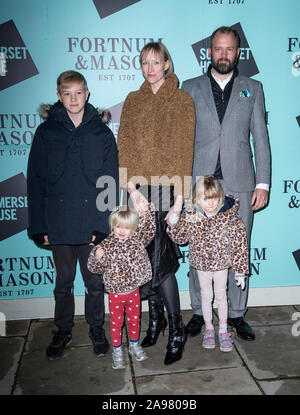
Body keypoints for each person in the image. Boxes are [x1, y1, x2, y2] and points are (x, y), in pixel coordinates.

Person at [182, 26, 271, 341]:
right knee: (198, 252)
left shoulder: (253, 88)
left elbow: (260, 139)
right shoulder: (189, 88)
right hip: (199, 185)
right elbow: (182, 142)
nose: (223, 54)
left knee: (238, 249)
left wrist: (263, 183)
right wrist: (182, 189)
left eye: (229, 49)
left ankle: (235, 314)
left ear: (238, 52)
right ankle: (198, 311)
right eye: (218, 48)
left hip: (240, 184)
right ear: (209, 51)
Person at [27, 70, 119, 360]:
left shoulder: (101, 132)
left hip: (91, 221)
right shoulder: (46, 132)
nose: (73, 98)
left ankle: (95, 328)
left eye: (78, 92)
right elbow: (35, 180)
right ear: (59, 96)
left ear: (87, 94)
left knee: (94, 282)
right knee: (63, 282)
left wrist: (104, 226)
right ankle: (63, 330)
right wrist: (39, 225)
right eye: (67, 93)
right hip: (58, 222)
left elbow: (110, 181)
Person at [117, 42, 195, 365]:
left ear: (166, 63)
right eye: (144, 62)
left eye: (156, 61)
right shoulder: (133, 101)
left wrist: (179, 202)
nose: (150, 68)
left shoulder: (181, 100)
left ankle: (176, 329)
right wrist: (133, 191)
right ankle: (156, 319)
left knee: (161, 262)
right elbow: (125, 146)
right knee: (143, 259)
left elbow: (183, 151)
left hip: (167, 191)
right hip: (137, 191)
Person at [167, 176, 249, 352]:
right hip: (201, 264)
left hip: (222, 264)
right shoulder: (191, 215)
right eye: (206, 199)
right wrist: (173, 226)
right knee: (206, 295)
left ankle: (223, 330)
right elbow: (181, 238)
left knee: (221, 295)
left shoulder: (230, 217)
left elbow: (240, 243)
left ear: (220, 196)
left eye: (214, 198)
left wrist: (240, 271)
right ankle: (209, 328)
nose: (211, 203)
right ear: (197, 199)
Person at [87, 200, 155, 369]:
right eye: (118, 226)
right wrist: (98, 256)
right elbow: (93, 267)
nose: (122, 231)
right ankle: (117, 350)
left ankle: (133, 344)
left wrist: (148, 213)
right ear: (112, 226)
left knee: (134, 320)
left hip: (133, 292)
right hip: (115, 294)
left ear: (133, 228)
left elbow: (150, 230)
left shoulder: (137, 240)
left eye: (126, 227)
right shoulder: (106, 245)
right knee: (116, 323)